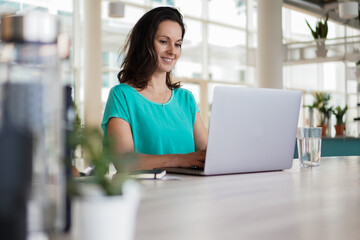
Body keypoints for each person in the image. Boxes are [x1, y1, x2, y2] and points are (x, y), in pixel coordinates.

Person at [101, 6, 208, 170]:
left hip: (190, 193)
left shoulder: (186, 99)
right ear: (145, 43)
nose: (172, 51)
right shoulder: (122, 95)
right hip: (147, 193)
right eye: (164, 42)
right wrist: (182, 159)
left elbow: (207, 154)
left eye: (178, 44)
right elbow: (123, 161)